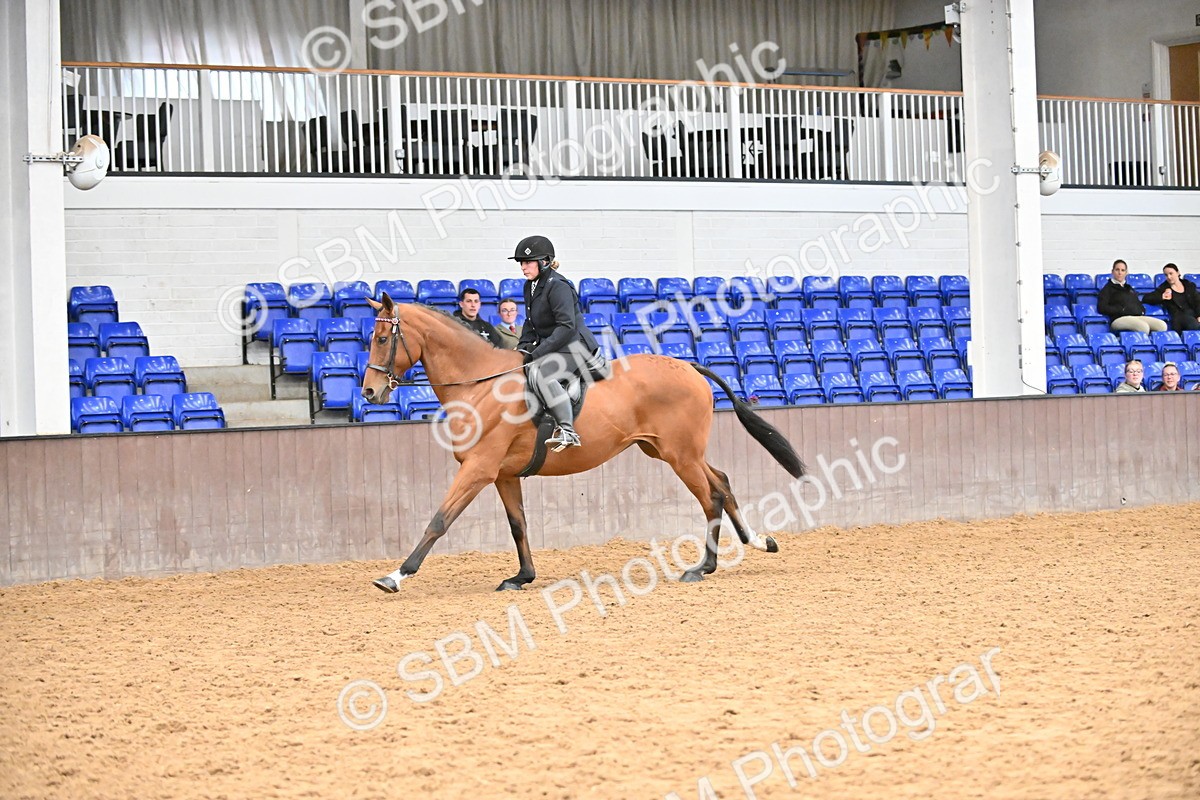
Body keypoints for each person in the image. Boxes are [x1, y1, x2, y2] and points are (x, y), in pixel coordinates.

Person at [511, 235, 607, 450]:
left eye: (527, 262)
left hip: (575, 346)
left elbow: (566, 326)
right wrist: (521, 347)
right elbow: (530, 322)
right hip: (558, 344)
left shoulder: (558, 286)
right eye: (521, 263)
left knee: (541, 373)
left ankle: (567, 430)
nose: (523, 268)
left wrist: (537, 353)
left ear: (544, 262)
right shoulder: (530, 286)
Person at [1096, 260, 1167, 334]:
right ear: (1112, 271)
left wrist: (1141, 310)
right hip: (1119, 319)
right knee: (1143, 327)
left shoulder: (1129, 288)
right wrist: (1120, 310)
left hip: (1135, 317)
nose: (1120, 273)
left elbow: (1137, 303)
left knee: (1162, 326)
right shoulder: (1107, 288)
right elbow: (1101, 307)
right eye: (1117, 270)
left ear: (1126, 273)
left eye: (1122, 270)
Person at [1141, 263, 1200, 333]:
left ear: (1178, 273)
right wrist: (1162, 297)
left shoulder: (1189, 285)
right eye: (1166, 275)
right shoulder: (1164, 288)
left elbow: (1198, 301)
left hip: (1193, 315)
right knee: (1191, 323)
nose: (1169, 277)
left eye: (1171, 273)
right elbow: (1146, 298)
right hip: (1179, 318)